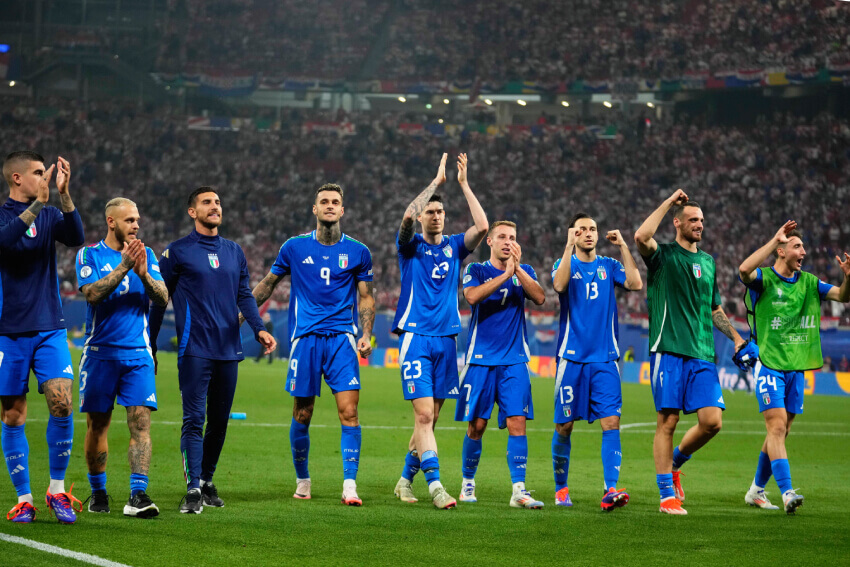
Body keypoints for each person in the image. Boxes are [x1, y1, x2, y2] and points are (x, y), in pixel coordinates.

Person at [149, 187, 276, 514]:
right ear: (193, 211)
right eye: (207, 202)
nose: (215, 206)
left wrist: (259, 328)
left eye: (218, 201)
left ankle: (206, 480)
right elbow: (160, 300)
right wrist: (149, 345)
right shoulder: (177, 252)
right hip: (194, 349)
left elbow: (245, 295)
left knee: (219, 421)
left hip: (228, 349)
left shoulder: (234, 252)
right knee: (194, 419)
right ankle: (192, 488)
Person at [248, 183, 375, 506]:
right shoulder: (293, 247)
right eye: (324, 202)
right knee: (302, 412)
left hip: (341, 341)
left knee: (350, 412)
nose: (330, 206)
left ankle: (349, 484)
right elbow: (267, 285)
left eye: (336, 202)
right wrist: (241, 319)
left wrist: (365, 333)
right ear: (315, 209)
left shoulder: (359, 252)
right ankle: (303, 480)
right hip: (305, 340)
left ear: (342, 210)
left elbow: (366, 297)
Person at [634, 189, 746, 515]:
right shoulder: (663, 255)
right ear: (678, 223)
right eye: (693, 220)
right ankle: (666, 496)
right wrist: (669, 200)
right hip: (669, 349)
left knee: (712, 422)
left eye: (702, 221)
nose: (699, 225)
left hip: (703, 352)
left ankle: (676, 464)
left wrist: (737, 338)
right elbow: (641, 235)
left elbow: (714, 310)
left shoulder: (708, 262)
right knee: (667, 421)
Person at [392, 153, 488, 509]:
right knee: (424, 417)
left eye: (440, 211)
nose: (435, 215)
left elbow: (483, 226)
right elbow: (405, 217)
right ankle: (435, 486)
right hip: (416, 336)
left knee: (431, 420)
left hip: (447, 339)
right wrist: (435, 183)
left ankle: (404, 481)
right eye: (429, 211)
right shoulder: (410, 246)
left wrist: (463, 184)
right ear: (422, 217)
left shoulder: (454, 247)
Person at [738, 221, 850, 514]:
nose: (804, 252)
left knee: (781, 431)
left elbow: (842, 296)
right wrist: (772, 238)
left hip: (795, 365)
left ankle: (756, 491)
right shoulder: (763, 279)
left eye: (803, 247)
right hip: (769, 363)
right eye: (797, 246)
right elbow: (743, 271)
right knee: (775, 427)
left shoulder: (810, 282)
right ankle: (787, 491)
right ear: (781, 250)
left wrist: (848, 278)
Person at [1, 152, 84, 524]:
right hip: (8, 331)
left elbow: (77, 237)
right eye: (37, 173)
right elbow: (5, 242)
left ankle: (57, 490)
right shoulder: (6, 215)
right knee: (13, 414)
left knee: (62, 403)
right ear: (16, 178)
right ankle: (24, 499)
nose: (43, 178)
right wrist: (38, 204)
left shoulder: (50, 214)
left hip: (50, 324)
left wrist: (64, 196)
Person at [75, 198, 168, 518]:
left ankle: (138, 493)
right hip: (100, 354)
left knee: (141, 423)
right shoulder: (89, 254)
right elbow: (91, 293)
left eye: (138, 220)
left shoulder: (148, 255)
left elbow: (163, 297)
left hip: (138, 355)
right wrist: (123, 267)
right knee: (97, 426)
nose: (137, 225)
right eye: (129, 220)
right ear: (111, 222)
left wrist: (143, 274)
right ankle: (98, 492)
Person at [550, 213, 642, 510]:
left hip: (605, 359)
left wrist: (623, 246)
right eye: (582, 230)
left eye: (592, 229)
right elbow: (560, 286)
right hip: (572, 359)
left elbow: (635, 282)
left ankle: (610, 489)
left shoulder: (608, 265)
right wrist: (567, 248)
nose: (588, 233)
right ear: (573, 235)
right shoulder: (564, 263)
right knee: (564, 426)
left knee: (611, 422)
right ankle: (561, 489)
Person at [455, 221, 546, 508]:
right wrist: (504, 275)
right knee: (477, 426)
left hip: (515, 360)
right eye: (503, 237)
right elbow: (471, 296)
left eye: (513, 238)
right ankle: (467, 482)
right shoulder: (476, 270)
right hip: (481, 360)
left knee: (518, 422)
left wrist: (516, 270)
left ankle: (519, 489)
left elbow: (541, 297)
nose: (508, 242)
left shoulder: (525, 271)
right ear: (490, 242)